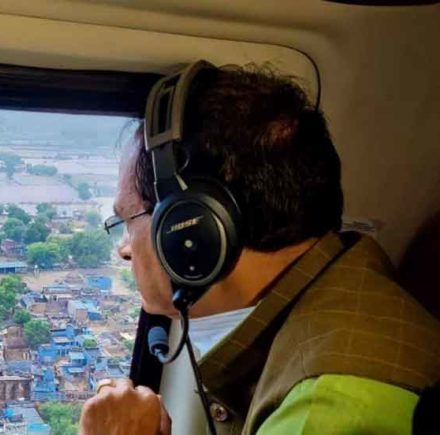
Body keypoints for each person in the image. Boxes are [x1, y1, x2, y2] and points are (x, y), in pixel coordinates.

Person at [80, 65, 440, 434]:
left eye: (128, 220)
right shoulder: (346, 287)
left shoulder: (325, 411)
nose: (124, 250)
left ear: (192, 227)